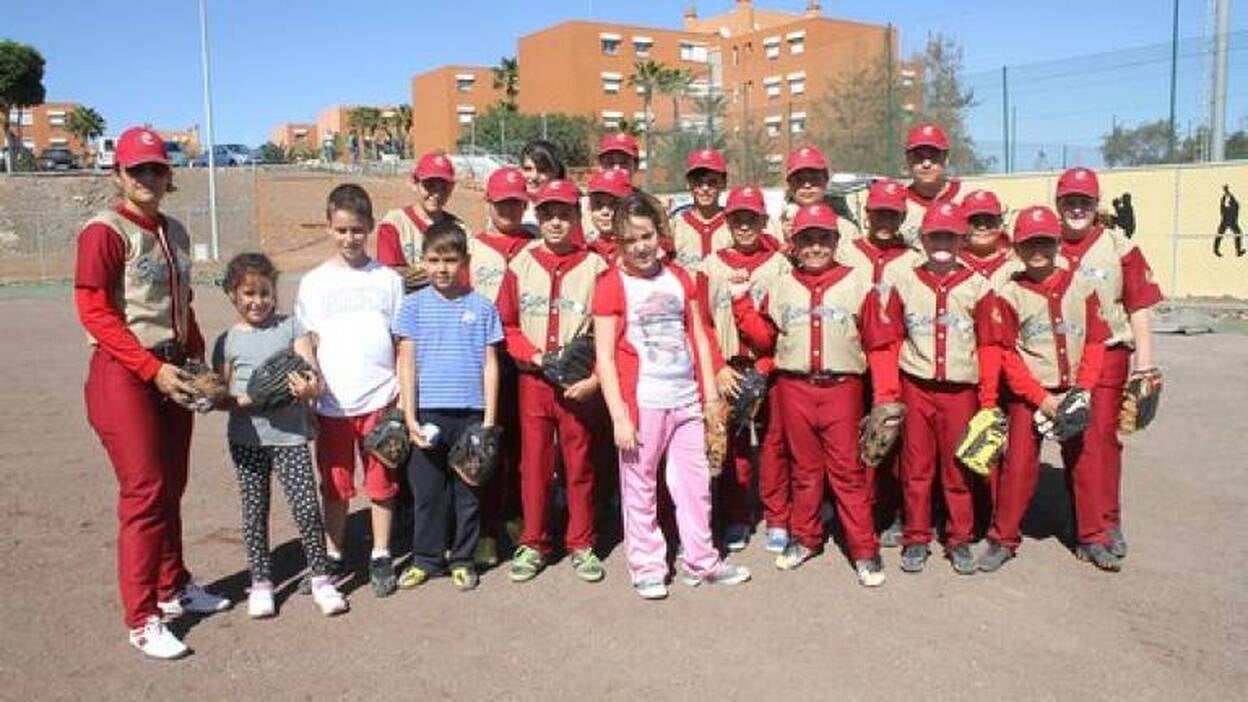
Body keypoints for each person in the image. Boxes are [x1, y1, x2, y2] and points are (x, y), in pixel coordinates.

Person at [75, 126, 229, 659]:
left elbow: (182, 307)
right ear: (119, 174)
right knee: (144, 492)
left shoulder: (176, 231)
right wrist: (149, 368)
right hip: (124, 373)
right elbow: (94, 310)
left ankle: (173, 585)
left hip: (172, 370)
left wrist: (199, 362)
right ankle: (142, 617)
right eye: (137, 169)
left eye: (156, 168)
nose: (147, 177)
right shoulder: (105, 230)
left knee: (171, 486)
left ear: (169, 175)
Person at [732, 203, 900, 587]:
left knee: (848, 472)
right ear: (794, 244)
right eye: (806, 239)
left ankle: (864, 550)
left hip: (842, 388)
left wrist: (886, 397)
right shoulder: (781, 284)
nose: (815, 247)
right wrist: (742, 302)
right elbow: (764, 340)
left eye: (823, 239)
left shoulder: (860, 283)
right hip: (794, 387)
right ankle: (804, 537)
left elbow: (879, 345)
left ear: (836, 241)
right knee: (804, 471)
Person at [594, 193, 752, 599]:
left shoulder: (680, 277)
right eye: (629, 240)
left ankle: (702, 559)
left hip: (685, 397)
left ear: (659, 235)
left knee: (695, 483)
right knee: (640, 485)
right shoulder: (611, 284)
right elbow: (606, 358)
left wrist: (710, 396)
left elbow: (699, 337)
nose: (640, 246)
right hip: (642, 402)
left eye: (646, 236)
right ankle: (646, 565)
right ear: (618, 243)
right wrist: (619, 416)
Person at [211, 253, 348, 618]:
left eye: (265, 293)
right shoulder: (227, 341)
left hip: (289, 437)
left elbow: (314, 378)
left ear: (275, 292)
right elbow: (222, 395)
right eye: (248, 294)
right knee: (255, 511)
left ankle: (321, 579)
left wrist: (308, 390)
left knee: (305, 508)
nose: (258, 302)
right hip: (247, 437)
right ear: (232, 295)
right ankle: (261, 582)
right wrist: (233, 398)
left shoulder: (291, 328)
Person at [979, 205, 1112, 572]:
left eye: (1045, 242)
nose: (1037, 250)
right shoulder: (1008, 293)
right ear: (1016, 249)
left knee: (1087, 463)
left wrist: (1083, 390)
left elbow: (1096, 343)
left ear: (1057, 243)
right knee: (1019, 466)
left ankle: (1093, 536)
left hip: (1074, 390)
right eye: (1028, 243)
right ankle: (1002, 538)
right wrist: (1041, 399)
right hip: (1030, 394)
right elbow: (1006, 355)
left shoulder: (1082, 287)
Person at [877, 202, 1002, 575]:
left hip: (960, 391)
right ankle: (916, 537)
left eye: (950, 235)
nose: (942, 243)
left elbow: (990, 346)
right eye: (935, 236)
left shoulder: (978, 286)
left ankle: (958, 539)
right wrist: (888, 393)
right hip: (916, 384)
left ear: (962, 240)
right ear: (923, 241)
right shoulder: (906, 281)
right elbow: (890, 339)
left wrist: (989, 400)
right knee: (916, 467)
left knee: (958, 468)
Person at [495, 179, 609, 584]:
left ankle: (581, 542)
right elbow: (506, 324)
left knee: (579, 463)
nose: (556, 221)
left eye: (564, 213)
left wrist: (595, 375)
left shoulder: (596, 265)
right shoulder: (521, 263)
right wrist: (534, 354)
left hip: (577, 384)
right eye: (547, 213)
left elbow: (610, 328)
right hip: (535, 381)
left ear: (577, 217)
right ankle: (535, 541)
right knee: (535, 465)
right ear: (536, 216)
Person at [295, 184, 405, 598]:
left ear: (371, 228)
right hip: (333, 404)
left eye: (357, 230)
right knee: (336, 485)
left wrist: (401, 397)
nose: (349, 238)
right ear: (329, 228)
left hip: (380, 398)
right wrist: (309, 376)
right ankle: (334, 552)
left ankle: (380, 553)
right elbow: (305, 339)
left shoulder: (388, 280)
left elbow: (400, 341)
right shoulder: (315, 282)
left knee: (382, 482)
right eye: (341, 230)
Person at [1053, 167, 1163, 560]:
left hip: (1109, 354)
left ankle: (1101, 527)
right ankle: (1087, 517)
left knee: (1099, 439)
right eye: (1070, 200)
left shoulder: (1118, 245)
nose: (1077, 208)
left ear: (1096, 206)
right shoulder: (1044, 243)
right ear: (1058, 204)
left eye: (1085, 201)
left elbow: (1139, 306)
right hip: (1060, 356)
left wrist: (1145, 368)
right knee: (1073, 440)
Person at [393, 221, 503, 592]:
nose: (442, 268)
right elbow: (406, 363)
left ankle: (462, 558)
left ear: (465, 261)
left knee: (467, 493)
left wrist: (489, 420)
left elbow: (491, 365)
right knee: (427, 494)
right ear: (422, 261)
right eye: (434, 259)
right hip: (427, 413)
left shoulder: (482, 307)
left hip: (470, 415)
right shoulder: (412, 306)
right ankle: (426, 559)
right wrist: (409, 417)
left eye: (451, 260)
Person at [696, 185, 788, 553]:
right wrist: (717, 366)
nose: (744, 225)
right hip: (728, 368)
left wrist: (766, 367)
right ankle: (736, 516)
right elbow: (701, 323)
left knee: (773, 444)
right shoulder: (710, 265)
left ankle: (778, 517)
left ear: (764, 220)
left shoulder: (779, 263)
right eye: (737, 218)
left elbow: (784, 324)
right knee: (730, 446)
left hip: (768, 366)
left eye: (752, 217)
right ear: (726, 220)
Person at [837, 178, 922, 548]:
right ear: (867, 213)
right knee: (858, 439)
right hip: (853, 359)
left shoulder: (915, 257)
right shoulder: (846, 250)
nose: (885, 218)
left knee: (896, 440)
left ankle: (898, 513)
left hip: (900, 361)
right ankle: (861, 511)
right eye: (878, 211)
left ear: (903, 215)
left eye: (892, 212)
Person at [467, 166, 537, 566]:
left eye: (516, 200)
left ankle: (517, 515)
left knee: (523, 448)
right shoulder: (473, 247)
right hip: (485, 359)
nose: (509, 208)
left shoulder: (537, 243)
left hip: (527, 358)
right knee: (485, 444)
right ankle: (485, 530)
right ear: (488, 202)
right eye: (502, 201)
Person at [375, 152, 461, 290]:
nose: (436, 194)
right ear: (414, 183)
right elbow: (389, 275)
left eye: (443, 187)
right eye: (429, 185)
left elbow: (466, 272)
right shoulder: (395, 222)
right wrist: (447, 271)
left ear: (451, 189)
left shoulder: (458, 227)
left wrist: (414, 272)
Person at [899, 123, 962, 244]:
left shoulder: (965, 198)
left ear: (946, 159)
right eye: (918, 156)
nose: (926, 164)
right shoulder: (898, 202)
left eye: (933, 156)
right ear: (908, 160)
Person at [670, 148, 731, 270]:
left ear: (723, 183)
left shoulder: (734, 224)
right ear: (688, 184)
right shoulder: (675, 225)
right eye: (698, 182)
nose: (705, 188)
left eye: (712, 182)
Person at [958, 189, 1018, 288]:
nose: (982, 227)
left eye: (989, 220)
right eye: (974, 220)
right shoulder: (952, 264)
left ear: (1000, 222)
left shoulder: (1016, 263)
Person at [585, 168, 634, 259]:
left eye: (614, 204)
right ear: (589, 207)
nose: (605, 212)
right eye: (598, 204)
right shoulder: (586, 250)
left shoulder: (636, 249)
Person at [1215, 184, 1243, 257]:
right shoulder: (1232, 208)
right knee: (1220, 234)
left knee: (1237, 233)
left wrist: (1226, 192)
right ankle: (1238, 251)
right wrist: (1226, 192)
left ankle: (1238, 251)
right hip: (1228, 222)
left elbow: (1229, 200)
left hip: (1230, 222)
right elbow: (1224, 202)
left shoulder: (1233, 207)